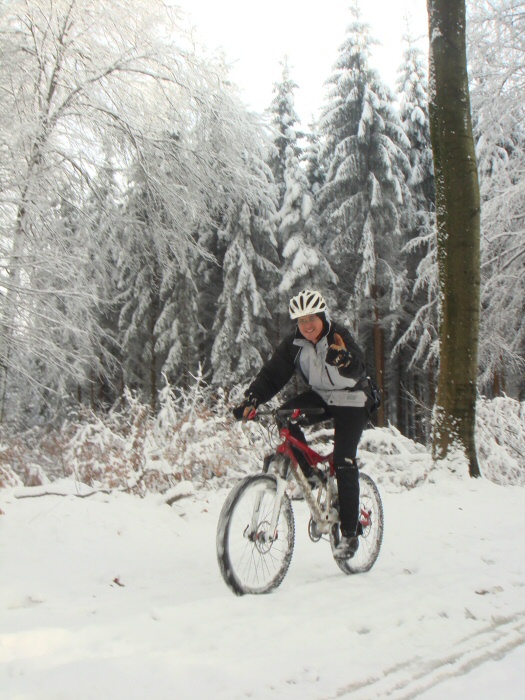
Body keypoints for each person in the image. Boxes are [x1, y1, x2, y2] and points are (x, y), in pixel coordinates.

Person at [232, 289, 376, 560]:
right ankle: (310, 474)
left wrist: (344, 360)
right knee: (283, 415)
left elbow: (359, 368)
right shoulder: (294, 344)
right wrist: (252, 399)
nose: (307, 325)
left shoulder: (338, 336)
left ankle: (350, 533)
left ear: (322, 317)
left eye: (311, 318)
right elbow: (272, 375)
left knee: (343, 459)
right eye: (301, 320)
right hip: (322, 397)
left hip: (354, 398)